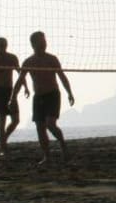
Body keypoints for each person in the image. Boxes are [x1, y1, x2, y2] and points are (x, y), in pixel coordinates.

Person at [11, 31, 74, 167]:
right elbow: (19, 80)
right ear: (33, 44)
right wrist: (12, 98)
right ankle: (47, 156)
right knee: (40, 127)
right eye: (41, 42)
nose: (44, 44)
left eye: (45, 41)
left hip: (52, 94)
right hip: (38, 97)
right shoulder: (28, 61)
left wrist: (69, 92)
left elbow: (62, 76)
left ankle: (63, 146)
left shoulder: (52, 59)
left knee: (50, 124)